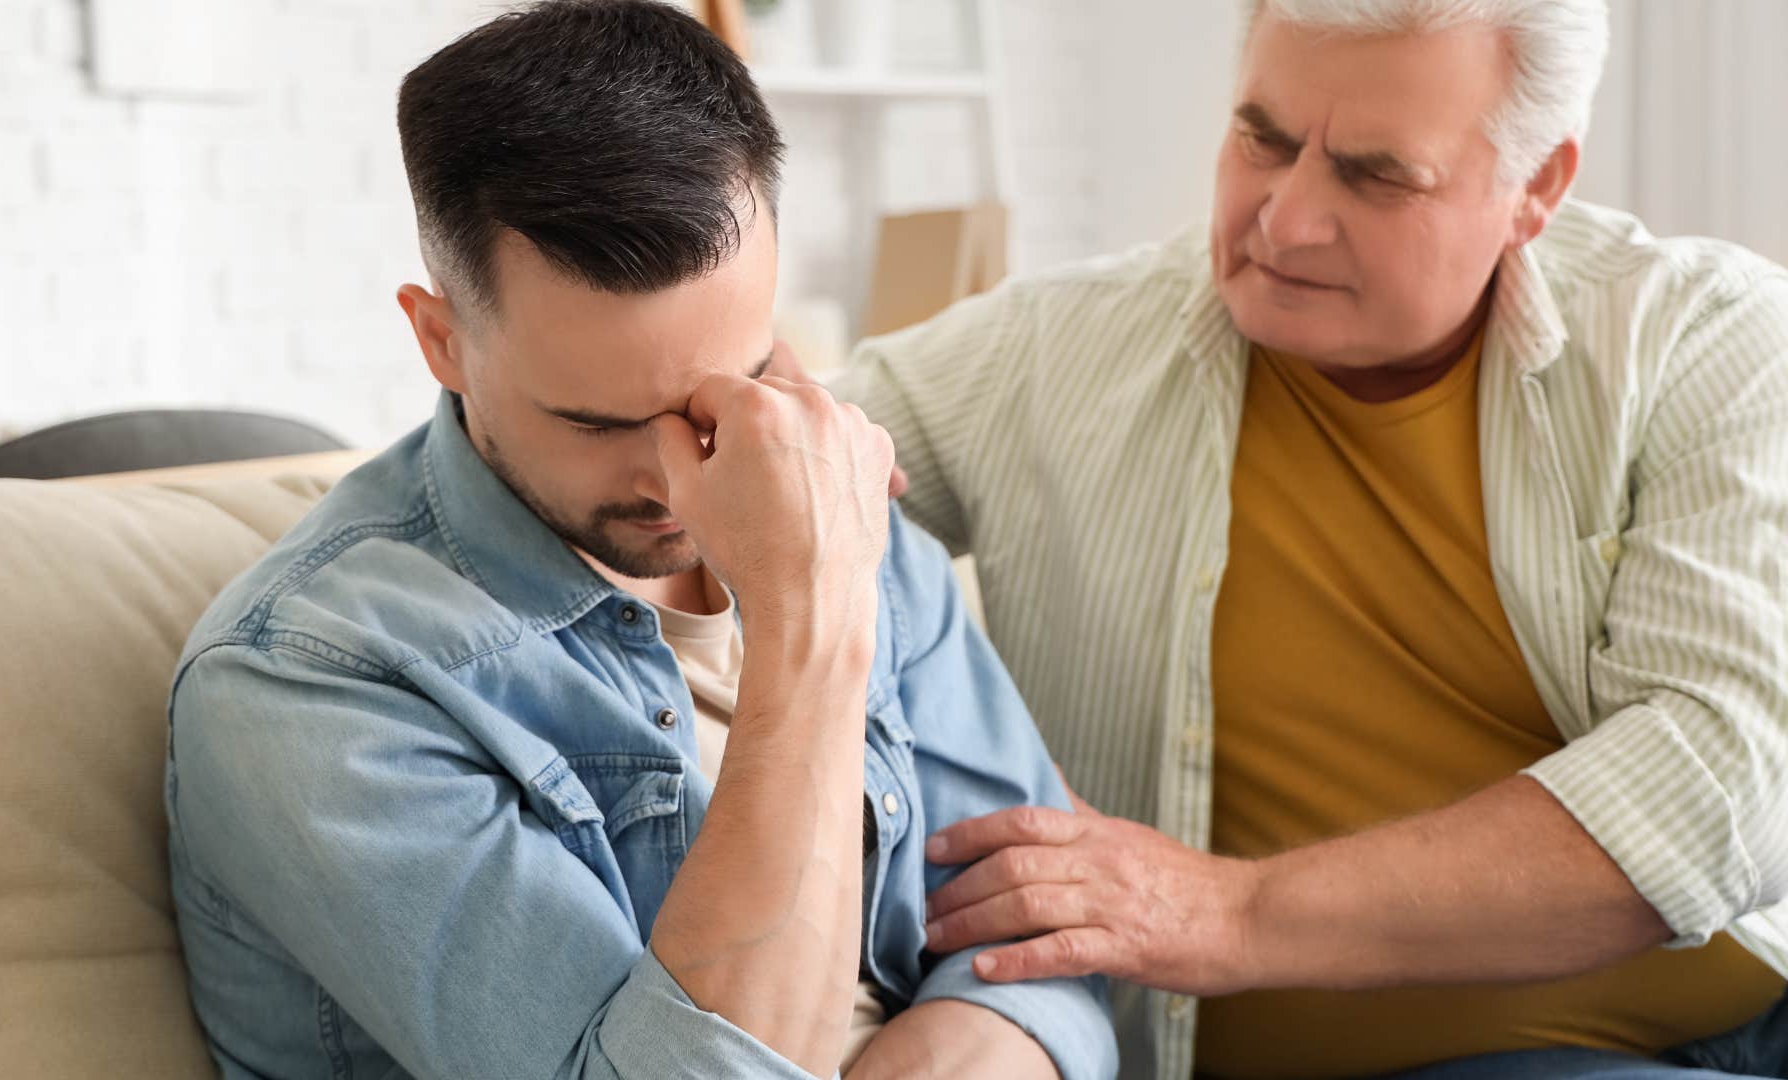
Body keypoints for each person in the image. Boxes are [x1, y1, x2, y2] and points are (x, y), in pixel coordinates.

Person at [828, 1, 1788, 1077]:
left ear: (1537, 191)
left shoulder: (1708, 338)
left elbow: (1724, 781)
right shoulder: (1051, 352)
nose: (1284, 222)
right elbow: (776, 469)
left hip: (1733, 1024)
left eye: (1377, 175)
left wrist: (1224, 913)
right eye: (1263, 140)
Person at [162, 3, 1116, 1078]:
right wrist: (809, 615)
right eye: (598, 423)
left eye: (735, 383)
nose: (681, 479)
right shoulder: (305, 685)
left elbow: (1050, 941)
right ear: (443, 340)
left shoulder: (841, 508)